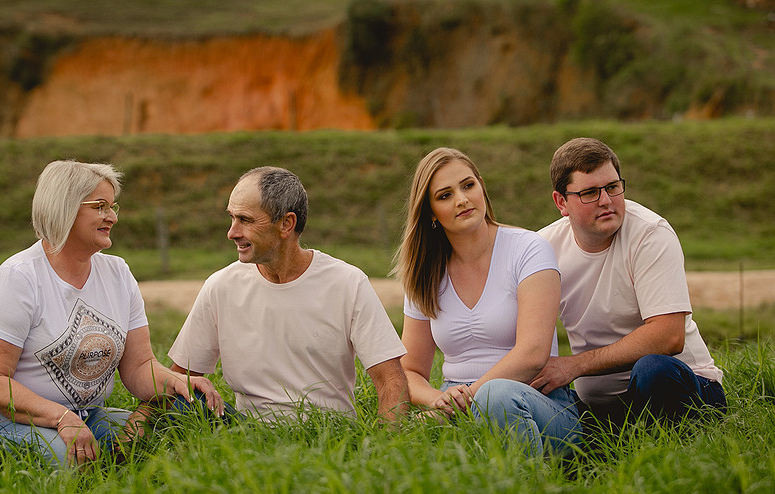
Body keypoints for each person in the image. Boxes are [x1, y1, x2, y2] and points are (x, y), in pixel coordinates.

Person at [0, 160, 221, 467]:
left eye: (112, 205)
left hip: (84, 414)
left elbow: (139, 366)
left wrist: (175, 382)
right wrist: (60, 417)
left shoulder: (118, 273)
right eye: (100, 206)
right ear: (64, 208)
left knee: (170, 435)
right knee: (67, 456)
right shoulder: (18, 278)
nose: (113, 217)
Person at [167, 166, 409, 422]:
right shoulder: (221, 285)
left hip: (328, 435)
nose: (232, 232)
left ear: (286, 223)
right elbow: (177, 378)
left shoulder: (347, 283)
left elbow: (391, 380)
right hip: (245, 433)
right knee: (183, 403)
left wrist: (382, 448)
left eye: (245, 220)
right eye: (232, 218)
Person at [395, 147, 581, 456]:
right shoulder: (425, 273)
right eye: (445, 195)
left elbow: (533, 354)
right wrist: (437, 402)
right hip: (457, 407)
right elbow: (410, 371)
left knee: (497, 396)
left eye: (468, 185)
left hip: (540, 405)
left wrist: (466, 398)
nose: (462, 199)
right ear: (430, 212)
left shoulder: (529, 249)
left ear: (482, 186)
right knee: (408, 444)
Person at [531, 137, 725, 424]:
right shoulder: (542, 248)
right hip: (599, 406)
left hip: (683, 387)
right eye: (590, 193)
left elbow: (668, 335)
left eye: (612, 187)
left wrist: (573, 366)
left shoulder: (650, 234)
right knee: (530, 394)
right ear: (562, 202)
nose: (606, 201)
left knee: (652, 370)